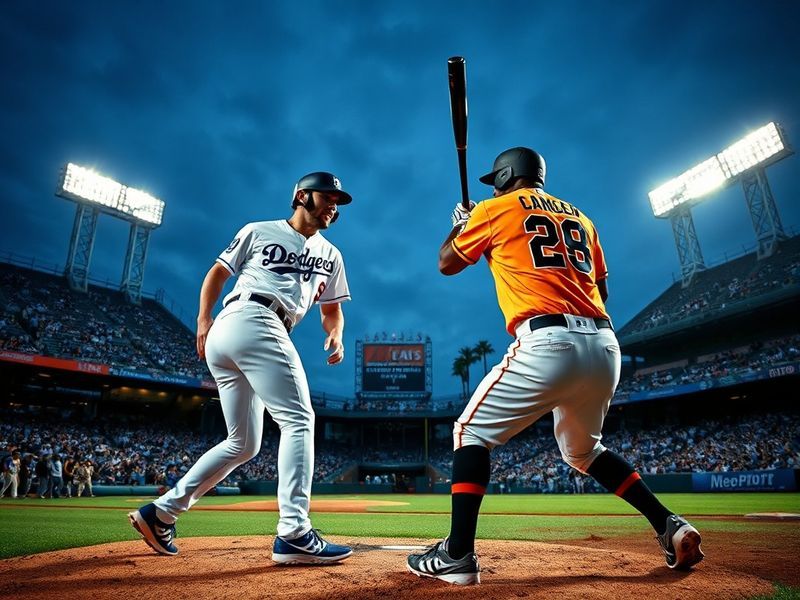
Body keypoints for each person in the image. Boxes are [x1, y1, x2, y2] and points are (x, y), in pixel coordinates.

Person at [407, 147, 703, 585]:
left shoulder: (495, 208)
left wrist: (460, 227)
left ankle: (457, 554)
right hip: (604, 345)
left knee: (470, 433)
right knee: (584, 451)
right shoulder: (581, 217)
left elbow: (446, 263)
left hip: (547, 339)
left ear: (506, 176)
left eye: (497, 179)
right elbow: (601, 286)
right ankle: (668, 524)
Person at [129, 171, 354, 564]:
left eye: (338, 201)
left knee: (243, 443)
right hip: (250, 318)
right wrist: (202, 319)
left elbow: (332, 310)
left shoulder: (332, 255)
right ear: (302, 196)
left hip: (250, 330)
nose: (334, 206)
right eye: (328, 197)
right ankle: (294, 532)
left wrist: (335, 335)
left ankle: (161, 512)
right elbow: (218, 273)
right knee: (299, 420)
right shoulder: (259, 230)